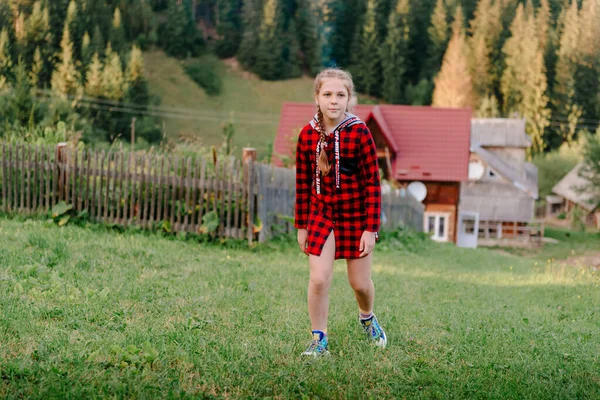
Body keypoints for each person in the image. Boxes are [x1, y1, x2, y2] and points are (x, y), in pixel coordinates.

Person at [295, 68, 387, 357]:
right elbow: (301, 184)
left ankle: (367, 316)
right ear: (317, 97)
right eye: (327, 94)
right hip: (321, 215)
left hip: (357, 217)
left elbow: (373, 183)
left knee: (359, 283)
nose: (333, 100)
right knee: (319, 278)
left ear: (349, 99)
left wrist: (370, 229)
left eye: (340, 95)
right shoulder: (307, 135)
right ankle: (319, 339)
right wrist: (302, 226)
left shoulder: (360, 132)